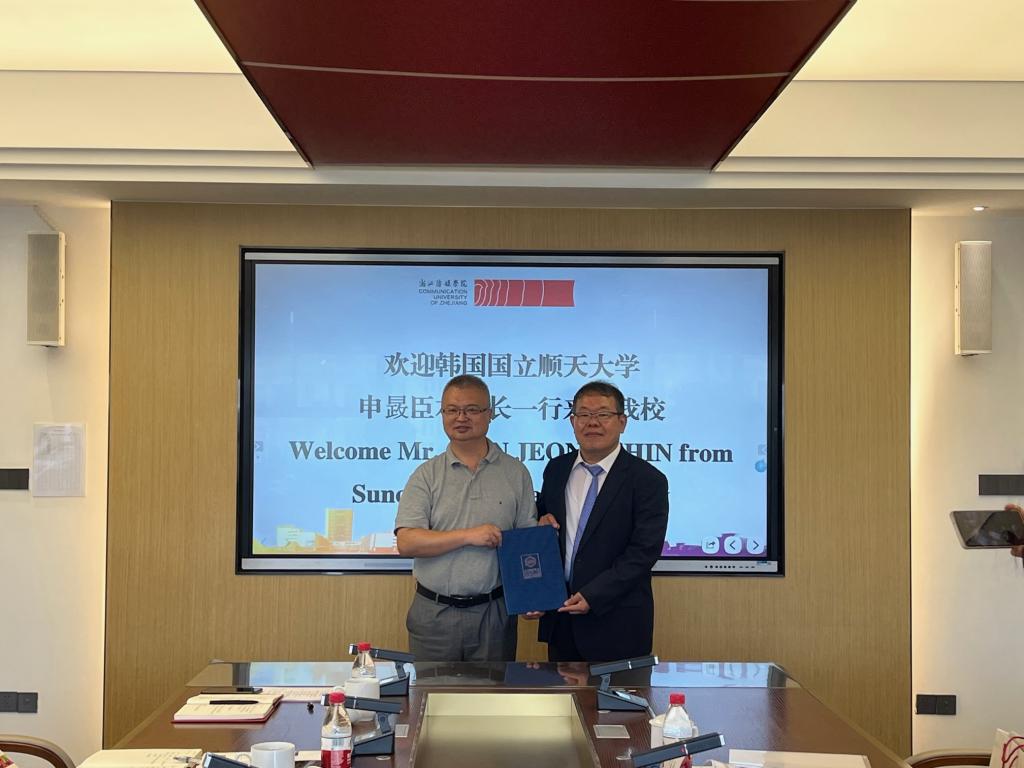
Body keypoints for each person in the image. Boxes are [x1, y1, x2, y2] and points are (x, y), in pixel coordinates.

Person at [394, 374, 537, 662]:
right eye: (452, 410)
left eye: (471, 409)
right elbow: (407, 542)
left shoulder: (515, 473)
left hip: (494, 614)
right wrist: (468, 536)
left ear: (490, 414)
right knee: (431, 691)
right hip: (434, 614)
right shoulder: (426, 475)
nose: (461, 418)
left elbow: (526, 542)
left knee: (493, 691)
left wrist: (531, 595)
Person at [532, 381, 669, 662]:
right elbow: (544, 528)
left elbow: (643, 552)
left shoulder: (647, 480)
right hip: (562, 619)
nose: (592, 422)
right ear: (573, 422)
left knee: (619, 694)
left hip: (618, 622)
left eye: (603, 414)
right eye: (584, 414)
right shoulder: (556, 469)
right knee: (561, 692)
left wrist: (594, 595)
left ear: (622, 422)